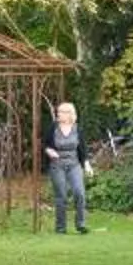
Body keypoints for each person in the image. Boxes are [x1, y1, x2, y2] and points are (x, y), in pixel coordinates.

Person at [42, 100, 89, 234]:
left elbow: (83, 149)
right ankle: (60, 227)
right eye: (58, 112)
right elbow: (45, 144)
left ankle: (81, 224)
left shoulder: (77, 128)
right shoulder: (53, 128)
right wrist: (49, 151)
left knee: (79, 193)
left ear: (69, 114)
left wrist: (86, 164)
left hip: (74, 165)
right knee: (61, 195)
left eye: (61, 112)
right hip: (57, 165)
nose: (58, 114)